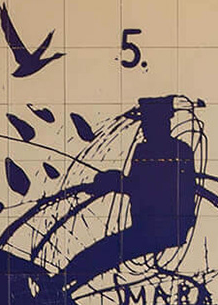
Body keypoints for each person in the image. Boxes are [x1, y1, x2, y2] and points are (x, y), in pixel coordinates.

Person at [54, 95, 200, 290]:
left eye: (149, 123)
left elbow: (146, 188)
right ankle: (57, 286)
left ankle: (54, 287)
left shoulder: (175, 151)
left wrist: (115, 182)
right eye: (145, 124)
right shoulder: (147, 150)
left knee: (99, 254)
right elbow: (136, 185)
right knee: (99, 256)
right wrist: (111, 182)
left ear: (163, 123)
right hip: (150, 228)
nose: (145, 129)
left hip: (162, 229)